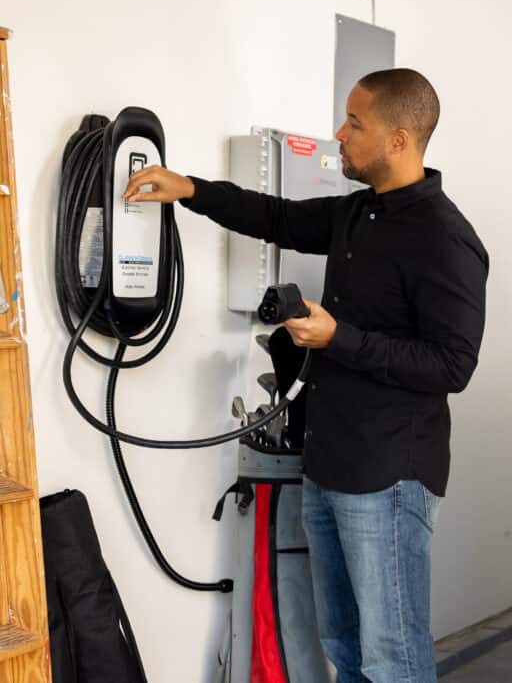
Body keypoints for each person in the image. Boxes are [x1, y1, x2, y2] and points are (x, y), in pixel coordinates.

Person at [124, 68, 488, 683]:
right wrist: (189, 188)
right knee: (345, 648)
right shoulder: (358, 214)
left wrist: (338, 338)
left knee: (391, 659)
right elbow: (280, 217)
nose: (338, 134)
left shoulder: (445, 239)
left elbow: (452, 365)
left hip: (389, 479)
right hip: (327, 466)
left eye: (355, 123)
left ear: (399, 140)